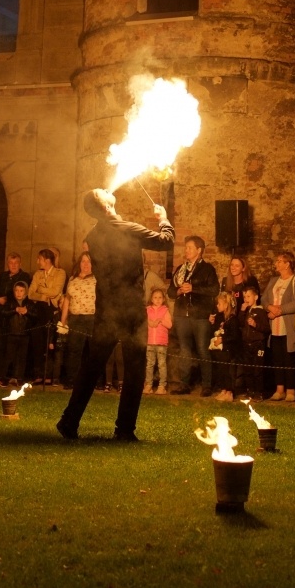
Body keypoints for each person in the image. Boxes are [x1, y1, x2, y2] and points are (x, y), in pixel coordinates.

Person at [56, 189, 174, 441]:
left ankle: (69, 421)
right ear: (106, 206)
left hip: (107, 309)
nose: (107, 189)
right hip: (130, 309)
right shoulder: (126, 228)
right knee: (134, 369)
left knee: (91, 368)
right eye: (103, 192)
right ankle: (124, 430)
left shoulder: (93, 236)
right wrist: (163, 218)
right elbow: (166, 242)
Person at [168, 235, 218, 395]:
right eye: (186, 247)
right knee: (184, 350)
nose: (186, 250)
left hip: (200, 316)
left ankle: (206, 385)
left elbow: (214, 290)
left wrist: (193, 289)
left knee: (203, 349)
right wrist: (178, 291)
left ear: (199, 250)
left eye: (190, 247)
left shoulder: (208, 269)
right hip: (182, 315)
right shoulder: (180, 270)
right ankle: (184, 384)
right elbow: (170, 291)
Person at [262, 251, 295, 402]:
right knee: (277, 359)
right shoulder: (274, 280)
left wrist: (279, 310)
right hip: (274, 327)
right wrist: (269, 307)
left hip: (288, 326)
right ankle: (279, 389)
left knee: (289, 359)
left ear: (288, 264)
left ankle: (291, 391)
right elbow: (264, 298)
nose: (277, 264)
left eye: (280, 261)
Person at [0, 253, 33, 386]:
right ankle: (0, 375)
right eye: (11, 263)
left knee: (14, 351)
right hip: (1, 317)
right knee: (1, 348)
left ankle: (14, 376)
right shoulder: (2, 276)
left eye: (16, 263)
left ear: (20, 264)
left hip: (15, 320)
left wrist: (10, 301)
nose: (13, 265)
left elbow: (22, 293)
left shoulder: (25, 277)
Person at [29, 249, 67, 383]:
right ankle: (38, 375)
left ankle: (49, 375)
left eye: (39, 258)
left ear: (47, 260)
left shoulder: (60, 273)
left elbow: (56, 291)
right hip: (39, 311)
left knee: (50, 343)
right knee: (38, 343)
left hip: (52, 311)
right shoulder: (37, 274)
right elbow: (30, 293)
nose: (37, 261)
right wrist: (44, 296)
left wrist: (41, 290)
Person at [60, 251, 97, 388]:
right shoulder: (72, 280)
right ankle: (72, 380)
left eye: (88, 261)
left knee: (93, 351)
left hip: (92, 318)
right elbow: (67, 301)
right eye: (83, 261)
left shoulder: (96, 279)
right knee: (74, 350)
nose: (86, 264)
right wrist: (63, 322)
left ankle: (93, 381)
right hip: (76, 318)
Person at [238, 285, 270, 398]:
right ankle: (250, 391)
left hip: (258, 344)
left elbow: (266, 328)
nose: (246, 299)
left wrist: (255, 325)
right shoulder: (246, 311)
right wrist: (242, 311)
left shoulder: (260, 311)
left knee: (258, 369)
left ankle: (259, 392)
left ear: (256, 297)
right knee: (248, 369)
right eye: (244, 297)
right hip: (247, 344)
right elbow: (241, 323)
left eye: (248, 296)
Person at [208, 290, 241, 401]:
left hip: (229, 352)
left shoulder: (233, 319)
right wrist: (212, 324)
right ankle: (224, 389)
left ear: (226, 305)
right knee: (222, 371)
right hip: (221, 352)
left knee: (229, 372)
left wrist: (223, 339)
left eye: (219, 304)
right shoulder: (221, 318)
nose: (217, 306)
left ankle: (230, 392)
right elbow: (216, 331)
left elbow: (235, 336)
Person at [144, 287, 172, 394]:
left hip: (161, 343)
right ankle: (148, 385)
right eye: (155, 297)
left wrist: (161, 320)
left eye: (160, 297)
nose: (158, 300)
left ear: (163, 299)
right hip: (150, 342)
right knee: (150, 364)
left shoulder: (165, 310)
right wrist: (149, 322)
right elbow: (144, 323)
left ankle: (162, 386)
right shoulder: (147, 310)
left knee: (161, 364)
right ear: (151, 299)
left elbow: (169, 325)